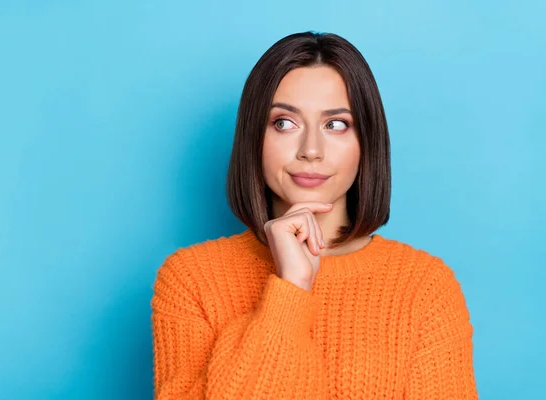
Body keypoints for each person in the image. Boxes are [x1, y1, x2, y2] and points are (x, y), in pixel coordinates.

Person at [151, 31, 478, 399]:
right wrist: (291, 288)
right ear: (253, 137)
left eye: (336, 124)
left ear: (366, 141)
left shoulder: (425, 287)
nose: (310, 149)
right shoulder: (190, 280)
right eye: (284, 123)